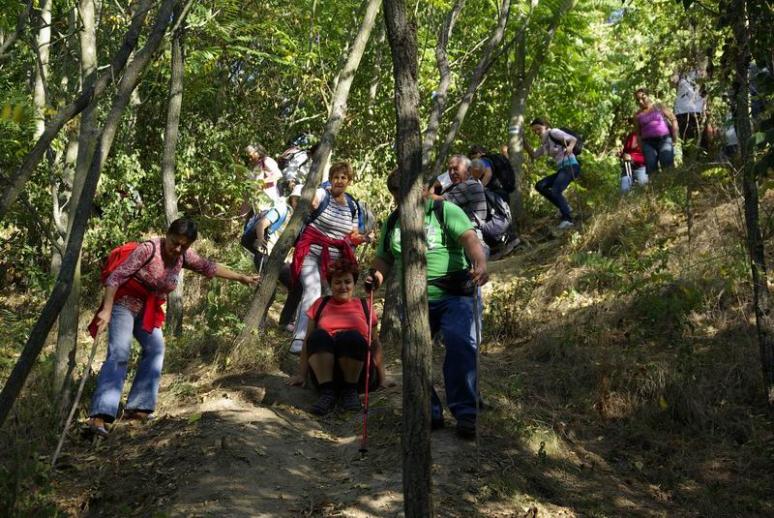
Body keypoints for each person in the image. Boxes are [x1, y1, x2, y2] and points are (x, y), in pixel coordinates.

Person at [87, 218, 258, 436]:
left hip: (147, 309)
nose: (177, 249)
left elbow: (209, 267)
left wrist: (241, 277)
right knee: (120, 353)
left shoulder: (184, 256)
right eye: (174, 242)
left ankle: (139, 407)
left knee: (155, 349)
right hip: (124, 303)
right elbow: (115, 277)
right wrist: (107, 309)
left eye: (183, 246)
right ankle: (99, 416)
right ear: (167, 235)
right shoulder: (148, 249)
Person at [367, 170, 489, 439]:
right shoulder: (394, 222)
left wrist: (480, 264)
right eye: (397, 192)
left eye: (408, 190)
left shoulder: (445, 211)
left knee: (460, 344)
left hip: (455, 294)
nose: (403, 196)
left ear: (422, 189)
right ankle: (429, 411)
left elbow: (470, 239)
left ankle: (466, 413)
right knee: (414, 353)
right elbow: (384, 258)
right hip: (416, 301)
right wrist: (374, 277)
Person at [288, 259, 384, 415]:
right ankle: (327, 393)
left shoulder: (365, 305)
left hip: (359, 374)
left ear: (354, 284)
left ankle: (350, 392)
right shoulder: (320, 304)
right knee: (317, 336)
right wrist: (301, 374)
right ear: (331, 284)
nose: (343, 286)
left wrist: (383, 378)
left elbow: (375, 344)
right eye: (337, 282)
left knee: (351, 337)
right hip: (325, 374)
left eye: (348, 282)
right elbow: (308, 342)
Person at [289, 162, 363, 354]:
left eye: (343, 177)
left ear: (349, 181)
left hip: (334, 262)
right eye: (336, 177)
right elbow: (309, 201)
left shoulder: (353, 205)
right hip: (311, 254)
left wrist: (363, 238)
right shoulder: (323, 195)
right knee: (312, 290)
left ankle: (322, 336)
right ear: (330, 179)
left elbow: (353, 234)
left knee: (327, 298)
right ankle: (299, 339)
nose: (339, 181)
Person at [240, 185, 304, 329]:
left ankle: (285, 321)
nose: (299, 203)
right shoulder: (283, 209)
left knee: (298, 285)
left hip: (280, 260)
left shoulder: (300, 221)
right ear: (292, 199)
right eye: (297, 199)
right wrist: (261, 240)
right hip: (265, 254)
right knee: (268, 291)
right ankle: (256, 326)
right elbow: (262, 224)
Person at [523, 118, 580, 229]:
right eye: (534, 131)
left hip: (570, 166)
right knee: (540, 185)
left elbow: (573, 139)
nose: (537, 133)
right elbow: (534, 155)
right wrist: (523, 142)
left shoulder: (553, 132)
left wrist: (570, 147)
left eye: (538, 129)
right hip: (562, 169)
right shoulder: (546, 143)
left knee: (555, 191)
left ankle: (567, 219)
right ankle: (564, 206)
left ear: (545, 126)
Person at [633, 88, 679, 176]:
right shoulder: (637, 115)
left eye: (643, 98)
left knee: (667, 163)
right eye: (638, 100)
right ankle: (655, 188)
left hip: (664, 139)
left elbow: (673, 119)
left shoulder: (659, 106)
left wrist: (674, 135)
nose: (641, 101)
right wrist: (641, 147)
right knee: (651, 167)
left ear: (648, 96)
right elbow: (638, 133)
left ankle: (671, 186)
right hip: (648, 143)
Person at [244, 143, 283, 209]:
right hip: (259, 201)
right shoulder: (257, 165)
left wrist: (261, 182)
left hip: (270, 198)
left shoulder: (266, 160)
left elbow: (278, 174)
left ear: (257, 153)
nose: (250, 159)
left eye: (251, 156)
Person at [618, 125, 649, 193]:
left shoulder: (648, 137)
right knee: (624, 190)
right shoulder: (632, 135)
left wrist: (632, 158)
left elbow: (649, 156)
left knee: (643, 190)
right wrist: (622, 155)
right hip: (627, 167)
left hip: (641, 167)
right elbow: (626, 151)